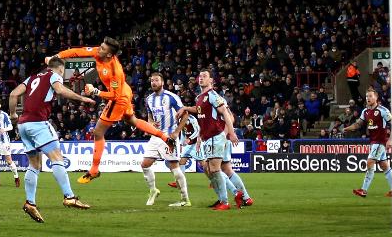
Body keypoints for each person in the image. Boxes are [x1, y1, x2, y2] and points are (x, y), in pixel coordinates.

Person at [46, 39, 171, 183]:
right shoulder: (98, 53)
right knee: (132, 120)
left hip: (119, 98)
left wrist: (95, 91)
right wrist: (57, 56)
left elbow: (114, 95)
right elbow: (76, 51)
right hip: (124, 91)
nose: (98, 49)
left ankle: (93, 170)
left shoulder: (115, 69)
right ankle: (165, 138)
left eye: (103, 49)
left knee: (98, 132)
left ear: (110, 54)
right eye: (100, 46)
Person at [9, 56, 96, 222]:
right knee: (57, 158)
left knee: (34, 164)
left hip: (23, 125)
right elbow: (60, 90)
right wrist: (82, 98)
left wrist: (13, 114)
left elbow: (13, 94)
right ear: (61, 69)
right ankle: (69, 196)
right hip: (38, 123)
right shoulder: (53, 75)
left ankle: (30, 202)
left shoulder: (32, 78)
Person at [180, 69, 250, 210]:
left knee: (214, 169)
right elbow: (202, 117)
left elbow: (228, 115)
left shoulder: (213, 95)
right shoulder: (200, 97)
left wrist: (229, 133)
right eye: (200, 76)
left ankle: (227, 200)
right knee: (218, 169)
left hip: (217, 137)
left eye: (205, 76)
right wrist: (199, 136)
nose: (201, 78)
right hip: (209, 137)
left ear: (211, 80)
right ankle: (244, 197)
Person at [140, 72, 188, 207]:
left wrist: (176, 132)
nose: (153, 83)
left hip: (169, 137)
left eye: (156, 80)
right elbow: (149, 116)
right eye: (151, 81)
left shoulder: (172, 97)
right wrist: (150, 123)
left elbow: (185, 115)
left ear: (162, 82)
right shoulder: (149, 99)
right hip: (155, 136)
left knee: (174, 167)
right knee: (145, 164)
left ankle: (185, 199)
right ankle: (153, 190)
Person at [341, 89, 392, 197]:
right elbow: (358, 124)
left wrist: (390, 140)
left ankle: (363, 190)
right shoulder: (365, 111)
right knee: (384, 166)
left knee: (369, 162)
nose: (368, 98)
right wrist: (347, 128)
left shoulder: (382, 110)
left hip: (380, 142)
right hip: (374, 141)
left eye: (370, 96)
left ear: (376, 97)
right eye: (366, 96)